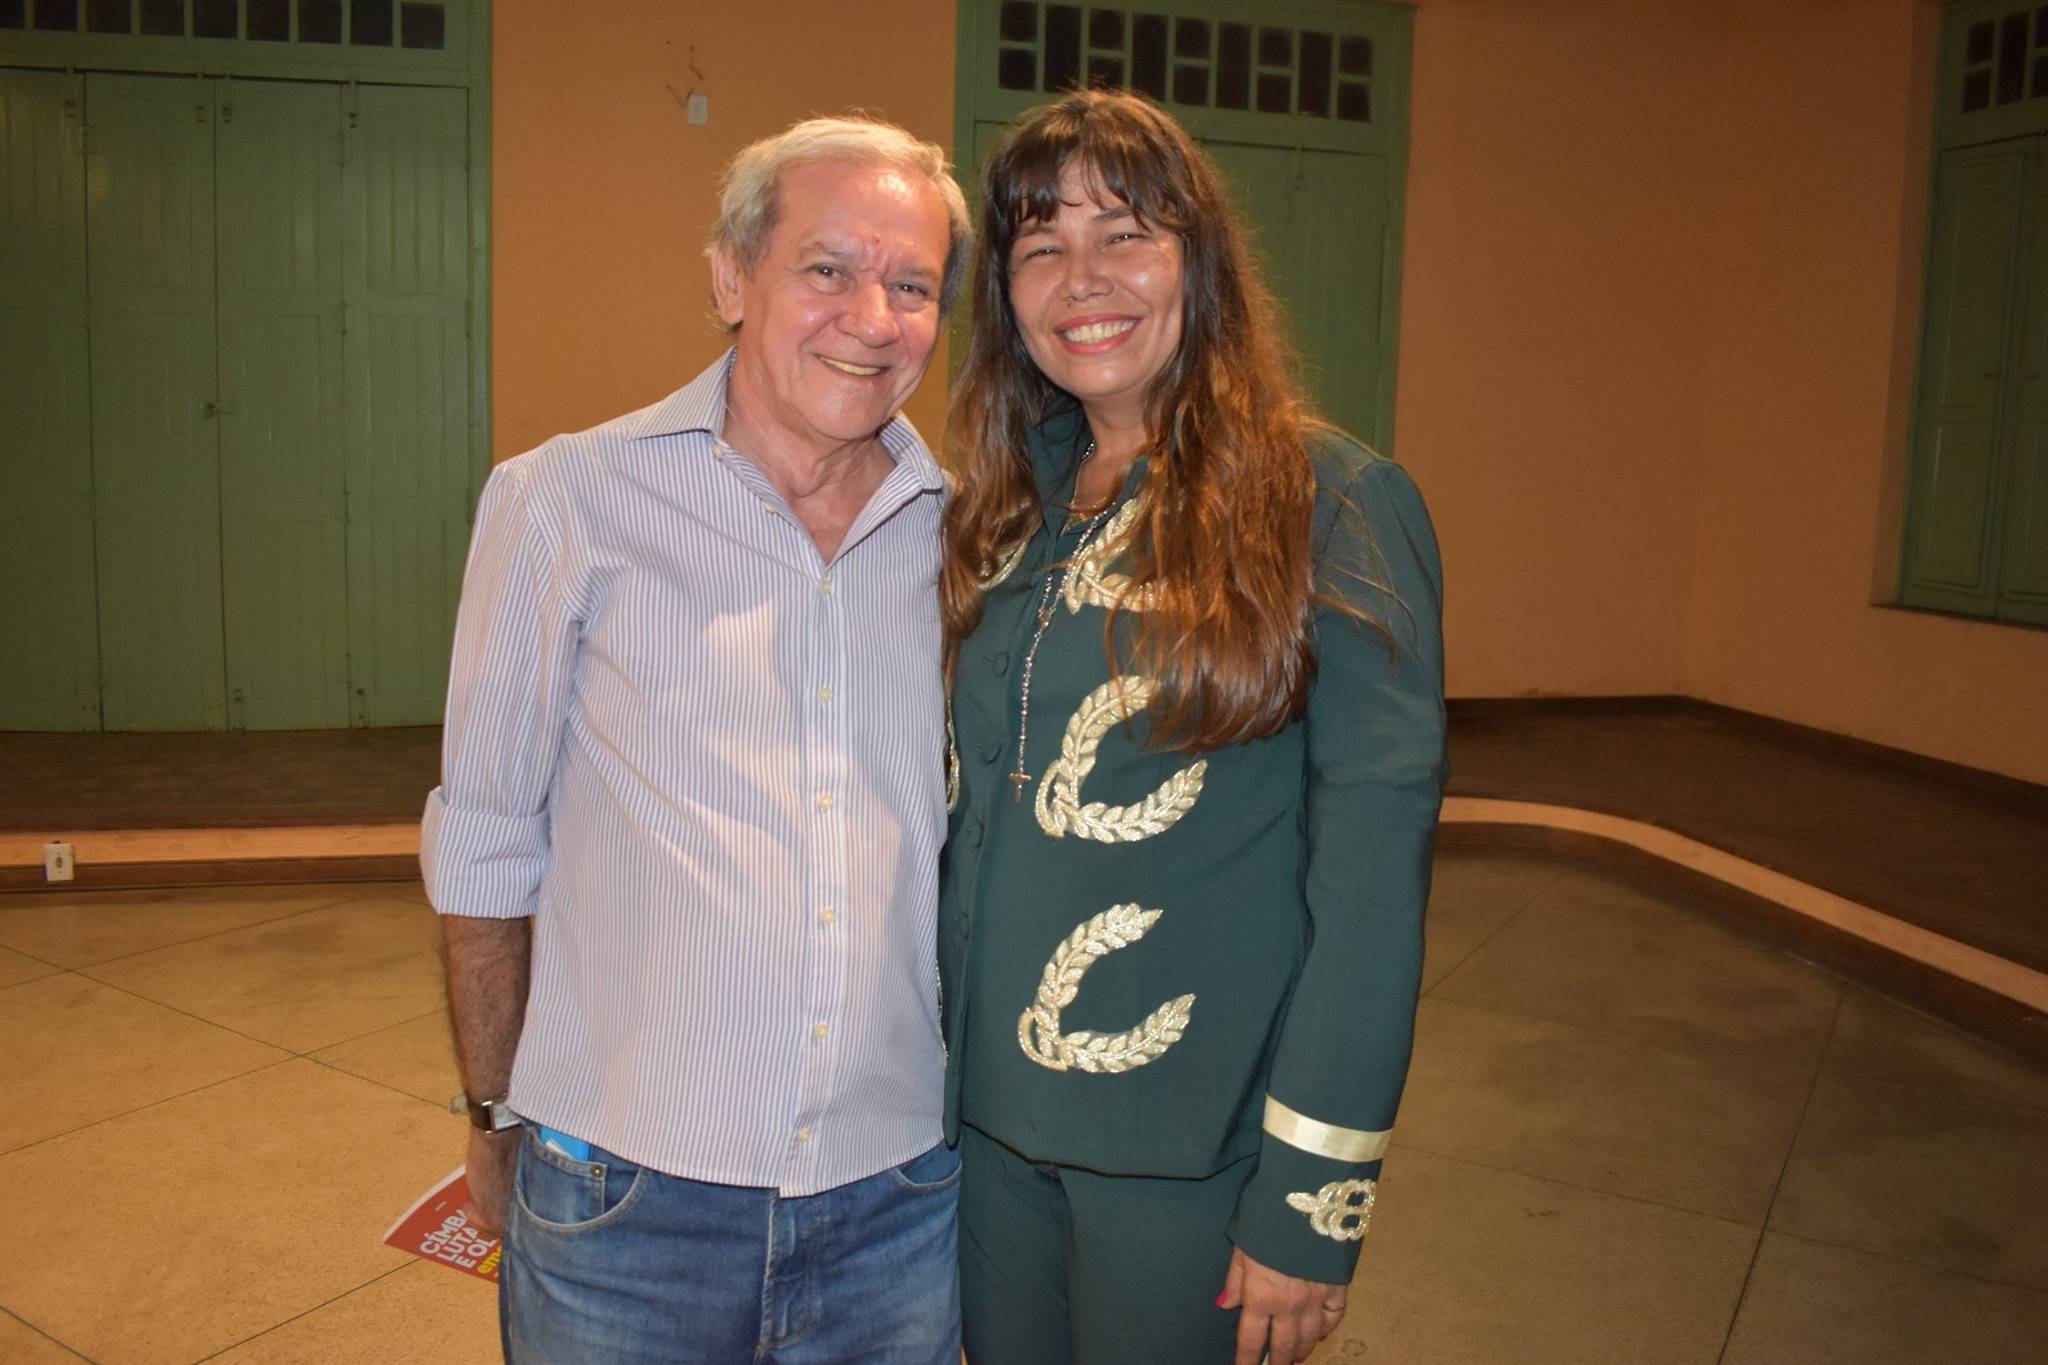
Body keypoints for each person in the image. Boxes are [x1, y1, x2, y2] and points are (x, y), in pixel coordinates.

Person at [420, 115, 971, 1365]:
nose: (872, 318)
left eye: (912, 285)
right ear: (731, 277)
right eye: (826, 268)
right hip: (625, 1200)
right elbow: (487, 839)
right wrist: (495, 1112)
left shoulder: (963, 536)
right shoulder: (566, 500)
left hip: (897, 1198)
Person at [938, 89, 1446, 1365]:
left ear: (1197, 260)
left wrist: (1310, 1201)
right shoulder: (1002, 508)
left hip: (1187, 1155)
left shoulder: (1329, 503)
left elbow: (1369, 892)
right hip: (978, 1136)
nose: (1081, 279)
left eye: (1124, 234)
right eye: (1040, 246)